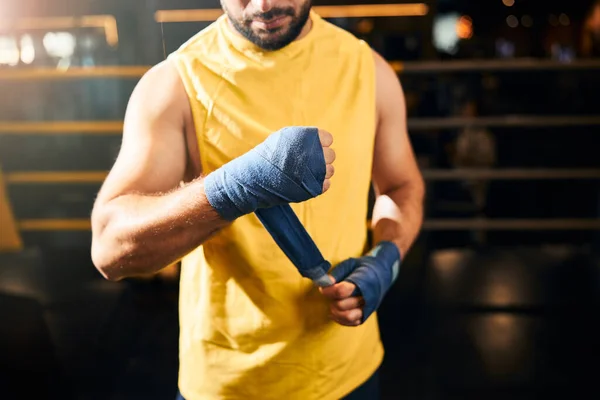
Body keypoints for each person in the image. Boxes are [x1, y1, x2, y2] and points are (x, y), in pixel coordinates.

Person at [90, 0, 425, 399]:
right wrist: (233, 188)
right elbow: (110, 248)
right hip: (229, 385)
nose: (264, 4)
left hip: (349, 371)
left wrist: (385, 260)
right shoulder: (177, 84)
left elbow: (401, 187)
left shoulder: (369, 71)